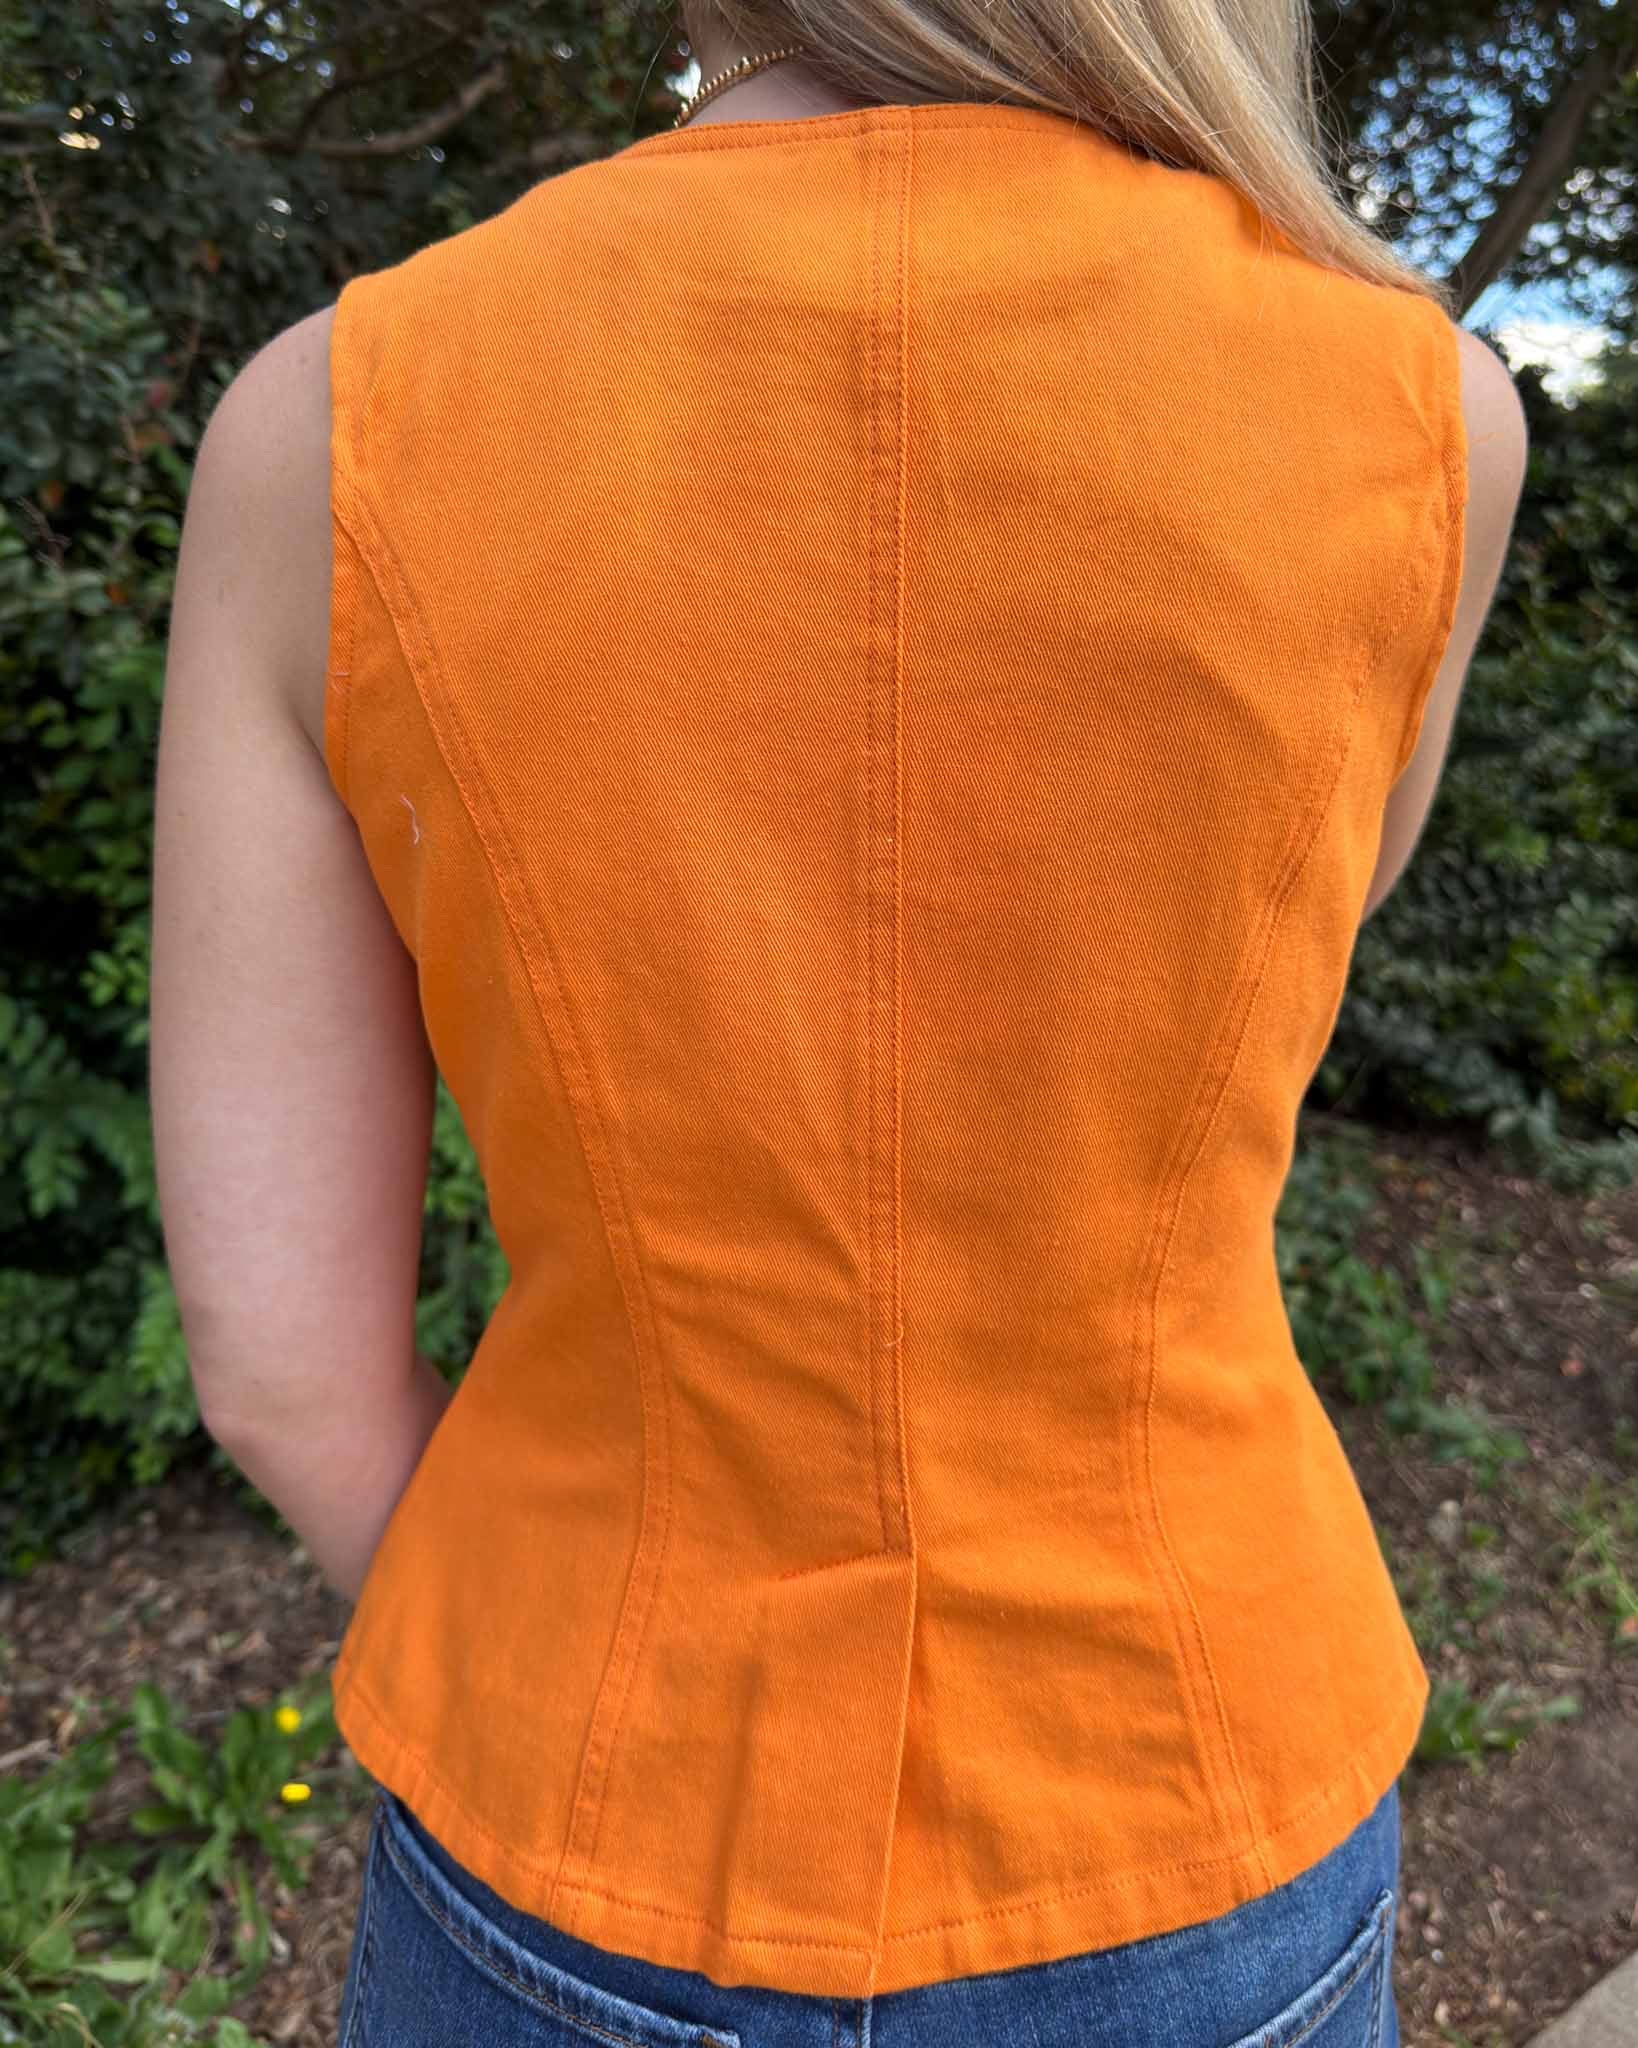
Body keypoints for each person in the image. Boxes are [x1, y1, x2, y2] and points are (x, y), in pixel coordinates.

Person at [149, 1, 1530, 2042]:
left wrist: (563, 1665)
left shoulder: (332, 421)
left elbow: (281, 1374)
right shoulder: (1424, 415)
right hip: (1196, 1777)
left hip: (579, 1806)